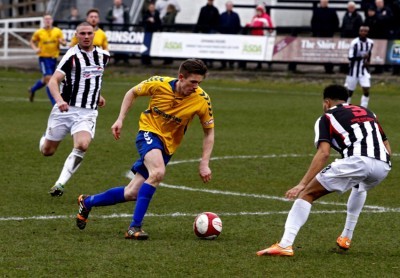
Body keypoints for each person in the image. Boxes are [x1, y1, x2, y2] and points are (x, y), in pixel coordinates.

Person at [75, 59, 215, 239]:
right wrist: (120, 119)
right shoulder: (158, 84)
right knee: (157, 172)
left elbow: (209, 133)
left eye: (199, 83)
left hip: (167, 146)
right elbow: (131, 93)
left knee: (132, 192)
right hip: (148, 134)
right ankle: (134, 228)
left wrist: (204, 163)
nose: (196, 87)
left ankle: (87, 202)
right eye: (193, 82)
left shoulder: (202, 100)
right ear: (181, 77)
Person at [257, 84, 391, 257]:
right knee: (359, 185)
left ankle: (285, 244)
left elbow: (324, 153)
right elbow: (386, 144)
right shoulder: (368, 112)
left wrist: (302, 184)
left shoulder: (326, 117)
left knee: (307, 194)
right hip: (383, 164)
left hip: (358, 160)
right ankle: (346, 237)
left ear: (327, 102)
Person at [40, 22, 110, 197]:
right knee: (47, 151)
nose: (86, 36)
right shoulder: (71, 56)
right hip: (65, 109)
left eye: (89, 33)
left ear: (94, 34)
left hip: (88, 111)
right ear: (76, 35)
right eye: (82, 34)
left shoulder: (103, 56)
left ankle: (60, 184)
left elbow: (94, 78)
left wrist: (97, 95)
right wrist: (60, 100)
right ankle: (45, 138)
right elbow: (53, 81)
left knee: (82, 145)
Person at [28, 14, 66, 104]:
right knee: (49, 79)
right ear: (43, 21)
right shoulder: (39, 32)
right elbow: (32, 41)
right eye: (46, 19)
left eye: (49, 19)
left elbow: (64, 43)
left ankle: (32, 89)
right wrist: (35, 49)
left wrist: (62, 42)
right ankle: (54, 103)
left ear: (52, 20)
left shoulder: (57, 31)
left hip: (53, 58)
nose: (48, 21)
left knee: (46, 80)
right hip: (43, 58)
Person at [345, 26, 374, 108]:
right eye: (361, 31)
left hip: (363, 70)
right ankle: (345, 107)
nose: (363, 32)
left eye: (365, 31)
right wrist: (362, 57)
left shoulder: (370, 43)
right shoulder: (355, 43)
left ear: (367, 32)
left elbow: (369, 53)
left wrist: (368, 61)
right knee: (350, 91)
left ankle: (364, 107)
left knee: (366, 88)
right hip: (353, 70)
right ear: (359, 32)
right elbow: (350, 58)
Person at [241, 4, 273, 70]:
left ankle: (269, 64)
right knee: (258, 52)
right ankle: (259, 64)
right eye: (257, 10)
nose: (258, 12)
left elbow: (270, 28)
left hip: (263, 37)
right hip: (255, 37)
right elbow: (252, 25)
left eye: (259, 10)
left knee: (265, 51)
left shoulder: (266, 17)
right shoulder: (255, 17)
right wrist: (248, 25)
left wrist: (267, 30)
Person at [311, 0, 339, 73]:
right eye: (322, 2)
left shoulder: (332, 11)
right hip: (320, 34)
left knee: (329, 52)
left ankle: (329, 68)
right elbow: (313, 22)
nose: (323, 3)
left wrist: (332, 31)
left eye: (325, 2)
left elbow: (336, 22)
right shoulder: (316, 11)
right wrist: (315, 32)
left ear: (327, 3)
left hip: (329, 34)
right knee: (321, 51)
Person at [194, 0, 220, 68]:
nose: (210, 2)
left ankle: (210, 61)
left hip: (211, 31)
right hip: (204, 31)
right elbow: (200, 19)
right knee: (204, 47)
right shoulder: (203, 9)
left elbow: (217, 21)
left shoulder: (215, 10)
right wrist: (197, 30)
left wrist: (215, 29)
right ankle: (204, 62)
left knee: (211, 47)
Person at [340, 2, 363, 73]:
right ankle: (344, 68)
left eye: (352, 7)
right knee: (345, 53)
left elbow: (360, 27)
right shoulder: (345, 15)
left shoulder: (358, 16)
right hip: (346, 38)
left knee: (354, 53)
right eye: (349, 7)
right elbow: (343, 26)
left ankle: (354, 67)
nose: (351, 9)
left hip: (354, 38)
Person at [106, 0, 130, 64]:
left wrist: (127, 28)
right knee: (116, 44)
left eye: (118, 1)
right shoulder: (111, 8)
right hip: (114, 29)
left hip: (123, 29)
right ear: (114, 2)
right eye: (116, 1)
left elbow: (127, 19)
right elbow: (107, 17)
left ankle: (125, 59)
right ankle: (116, 59)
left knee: (124, 44)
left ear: (121, 2)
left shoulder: (125, 8)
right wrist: (112, 18)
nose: (117, 3)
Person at [219, 1, 241, 69]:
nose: (229, 7)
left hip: (232, 35)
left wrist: (236, 33)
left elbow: (238, 25)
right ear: (226, 6)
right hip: (224, 35)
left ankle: (231, 64)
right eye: (228, 5)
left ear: (232, 6)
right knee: (223, 50)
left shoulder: (235, 15)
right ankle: (223, 64)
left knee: (232, 50)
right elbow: (219, 24)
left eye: (230, 6)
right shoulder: (222, 15)